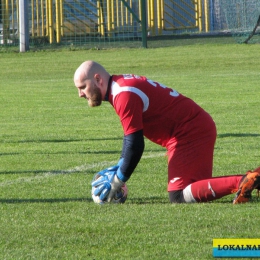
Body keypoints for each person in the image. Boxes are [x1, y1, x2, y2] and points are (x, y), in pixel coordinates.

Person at [73, 60, 260, 204]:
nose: (80, 94)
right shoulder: (120, 87)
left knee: (178, 195)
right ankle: (254, 178)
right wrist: (120, 166)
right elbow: (130, 141)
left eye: (83, 87)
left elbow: (135, 144)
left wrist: (117, 179)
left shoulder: (123, 94)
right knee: (196, 188)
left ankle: (245, 181)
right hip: (192, 128)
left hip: (189, 132)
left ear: (97, 79)